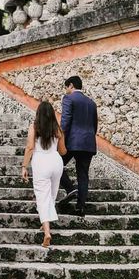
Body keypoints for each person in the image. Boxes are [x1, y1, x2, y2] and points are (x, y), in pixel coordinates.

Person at [22, 101, 66, 248]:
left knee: (42, 196)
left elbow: (29, 147)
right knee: (52, 195)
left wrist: (24, 166)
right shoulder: (57, 129)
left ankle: (47, 232)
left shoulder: (34, 127)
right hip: (56, 161)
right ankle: (45, 222)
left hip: (41, 161)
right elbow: (63, 151)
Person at [58, 75, 98, 217]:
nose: (66, 90)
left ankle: (70, 189)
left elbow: (65, 122)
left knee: (56, 164)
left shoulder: (68, 98)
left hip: (72, 141)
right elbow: (95, 125)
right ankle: (80, 208)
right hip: (88, 143)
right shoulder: (91, 103)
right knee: (83, 175)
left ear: (71, 86)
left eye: (66, 87)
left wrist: (60, 139)